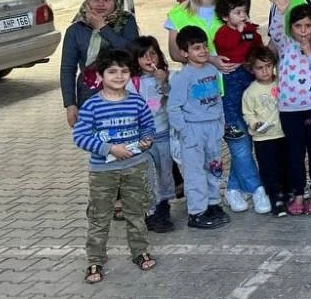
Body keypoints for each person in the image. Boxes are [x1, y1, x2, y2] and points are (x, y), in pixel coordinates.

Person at [72, 49, 156, 283]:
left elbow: (148, 127)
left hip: (135, 166)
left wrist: (147, 140)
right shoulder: (91, 106)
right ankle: (95, 259)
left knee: (135, 212)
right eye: (112, 71)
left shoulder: (137, 102)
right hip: (103, 172)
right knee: (100, 216)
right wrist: (110, 149)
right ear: (100, 76)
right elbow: (80, 136)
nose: (119, 76)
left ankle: (140, 251)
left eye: (124, 71)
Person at [268, 0, 311, 216]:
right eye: (298, 26)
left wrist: (310, 53)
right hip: (289, 110)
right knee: (294, 153)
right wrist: (280, 11)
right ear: (291, 27)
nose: (303, 31)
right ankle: (297, 192)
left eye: (308, 26)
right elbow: (275, 31)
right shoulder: (285, 45)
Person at [167, 26, 230, 230]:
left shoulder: (212, 70)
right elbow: (173, 107)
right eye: (196, 48)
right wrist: (184, 132)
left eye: (204, 46)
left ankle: (213, 203)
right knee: (195, 173)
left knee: (214, 169)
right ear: (185, 53)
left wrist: (221, 122)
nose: (203, 51)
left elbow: (217, 98)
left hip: (212, 128)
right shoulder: (182, 77)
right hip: (193, 130)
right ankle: (197, 212)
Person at [211, 0, 268, 215]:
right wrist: (243, 33)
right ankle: (257, 189)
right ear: (226, 17)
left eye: (244, 11)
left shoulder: (250, 30)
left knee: (247, 141)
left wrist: (248, 33)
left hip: (250, 84)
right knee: (239, 141)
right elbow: (231, 48)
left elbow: (257, 49)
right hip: (230, 89)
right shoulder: (223, 34)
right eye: (237, 12)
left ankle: (233, 188)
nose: (242, 15)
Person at [61, 0, 140, 128]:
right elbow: (67, 69)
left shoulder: (126, 21)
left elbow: (133, 53)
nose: (100, 3)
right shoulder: (76, 29)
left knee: (124, 143)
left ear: (116, 0)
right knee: (97, 145)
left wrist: (102, 28)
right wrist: (70, 105)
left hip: (123, 92)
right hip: (90, 96)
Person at [128, 36, 175, 233]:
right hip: (142, 138)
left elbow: (173, 98)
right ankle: (151, 211)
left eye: (153, 54)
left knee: (165, 171)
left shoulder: (166, 75)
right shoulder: (132, 83)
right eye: (143, 56)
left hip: (163, 133)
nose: (149, 59)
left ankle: (164, 207)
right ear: (135, 59)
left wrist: (164, 83)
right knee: (148, 174)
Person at [242, 47, 287, 216]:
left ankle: (287, 192)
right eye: (260, 68)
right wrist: (255, 124)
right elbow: (248, 113)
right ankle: (275, 197)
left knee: (285, 164)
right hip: (263, 138)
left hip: (283, 133)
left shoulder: (281, 82)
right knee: (269, 169)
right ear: (252, 70)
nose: (265, 71)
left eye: (268, 66)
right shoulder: (250, 92)